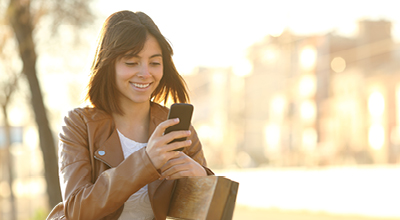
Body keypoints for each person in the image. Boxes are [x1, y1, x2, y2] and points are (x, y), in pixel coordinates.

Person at [47, 10, 213, 220]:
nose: (145, 73)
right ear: (108, 65)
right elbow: (78, 210)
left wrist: (202, 179)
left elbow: (211, 214)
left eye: (154, 63)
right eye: (131, 62)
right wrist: (146, 161)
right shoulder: (79, 124)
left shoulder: (178, 128)